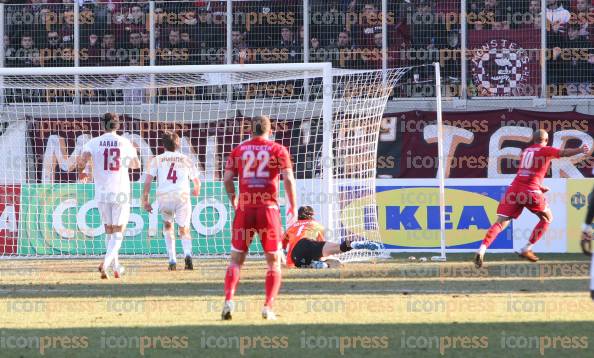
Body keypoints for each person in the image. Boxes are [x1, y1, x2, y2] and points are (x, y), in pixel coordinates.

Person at [474, 129, 589, 268]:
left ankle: (482, 249)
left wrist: (540, 188)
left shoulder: (526, 151)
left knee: (500, 223)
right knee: (547, 218)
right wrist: (580, 149)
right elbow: (563, 153)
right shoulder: (545, 150)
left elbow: (526, 174)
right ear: (546, 140)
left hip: (514, 189)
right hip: (530, 191)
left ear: (533, 140)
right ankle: (526, 248)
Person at [221, 115, 297, 321]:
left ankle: (229, 300)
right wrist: (292, 204)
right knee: (273, 262)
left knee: (236, 260)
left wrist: (234, 199)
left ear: (250, 131)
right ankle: (267, 307)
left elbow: (227, 178)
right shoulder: (278, 149)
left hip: (245, 208)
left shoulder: (238, 150)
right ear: (269, 131)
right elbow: (288, 178)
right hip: (268, 209)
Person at [77, 113, 140, 279]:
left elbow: (82, 161)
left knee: (109, 231)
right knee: (119, 231)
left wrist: (83, 172)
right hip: (120, 192)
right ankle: (105, 264)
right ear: (117, 126)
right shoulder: (125, 142)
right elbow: (136, 165)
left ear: (102, 125)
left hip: (102, 192)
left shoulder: (93, 142)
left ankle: (116, 267)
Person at [142, 131, 200, 271]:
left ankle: (172, 260)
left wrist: (145, 200)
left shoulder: (157, 159)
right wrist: (196, 189)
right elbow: (197, 181)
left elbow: (148, 182)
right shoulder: (186, 159)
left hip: (165, 197)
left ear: (163, 145)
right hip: (182, 196)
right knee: (184, 228)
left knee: (168, 226)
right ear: (178, 144)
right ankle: (187, 255)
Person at [282, 206, 381, 269]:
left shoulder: (291, 227)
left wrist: (286, 260)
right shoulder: (316, 225)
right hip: (308, 243)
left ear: (299, 216)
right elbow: (321, 245)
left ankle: (319, 265)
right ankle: (353, 244)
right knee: (336, 248)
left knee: (304, 263)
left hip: (295, 257)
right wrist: (330, 256)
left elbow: (281, 246)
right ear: (312, 216)